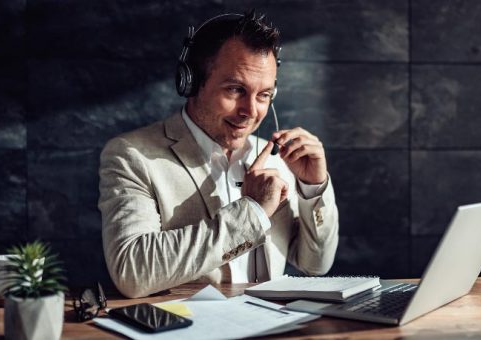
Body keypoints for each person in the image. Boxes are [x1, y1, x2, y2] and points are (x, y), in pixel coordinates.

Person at [98, 11, 339, 298]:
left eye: (264, 95)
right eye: (236, 89)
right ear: (190, 82)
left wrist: (314, 188)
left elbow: (316, 265)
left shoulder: (277, 158)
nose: (251, 111)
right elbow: (132, 273)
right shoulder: (131, 155)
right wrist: (254, 211)